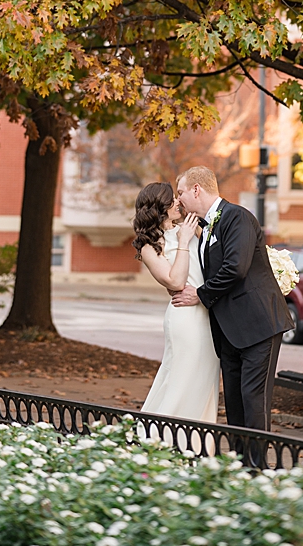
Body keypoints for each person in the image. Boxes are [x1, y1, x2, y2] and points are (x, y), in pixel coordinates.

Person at [170, 165, 291, 446]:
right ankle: (238, 467)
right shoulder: (206, 226)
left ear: (197, 189)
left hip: (259, 325)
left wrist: (200, 295)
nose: (179, 201)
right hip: (228, 330)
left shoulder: (237, 217)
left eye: (181, 193)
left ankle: (256, 471)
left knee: (253, 400)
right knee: (235, 404)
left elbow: (235, 268)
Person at [132, 181, 219, 423]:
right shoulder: (150, 245)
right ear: (160, 206)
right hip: (185, 318)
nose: (179, 202)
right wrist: (183, 241)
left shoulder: (191, 227)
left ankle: (200, 444)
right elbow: (176, 282)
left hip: (206, 314)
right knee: (182, 378)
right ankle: (161, 439)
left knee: (204, 380)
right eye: (173, 199)